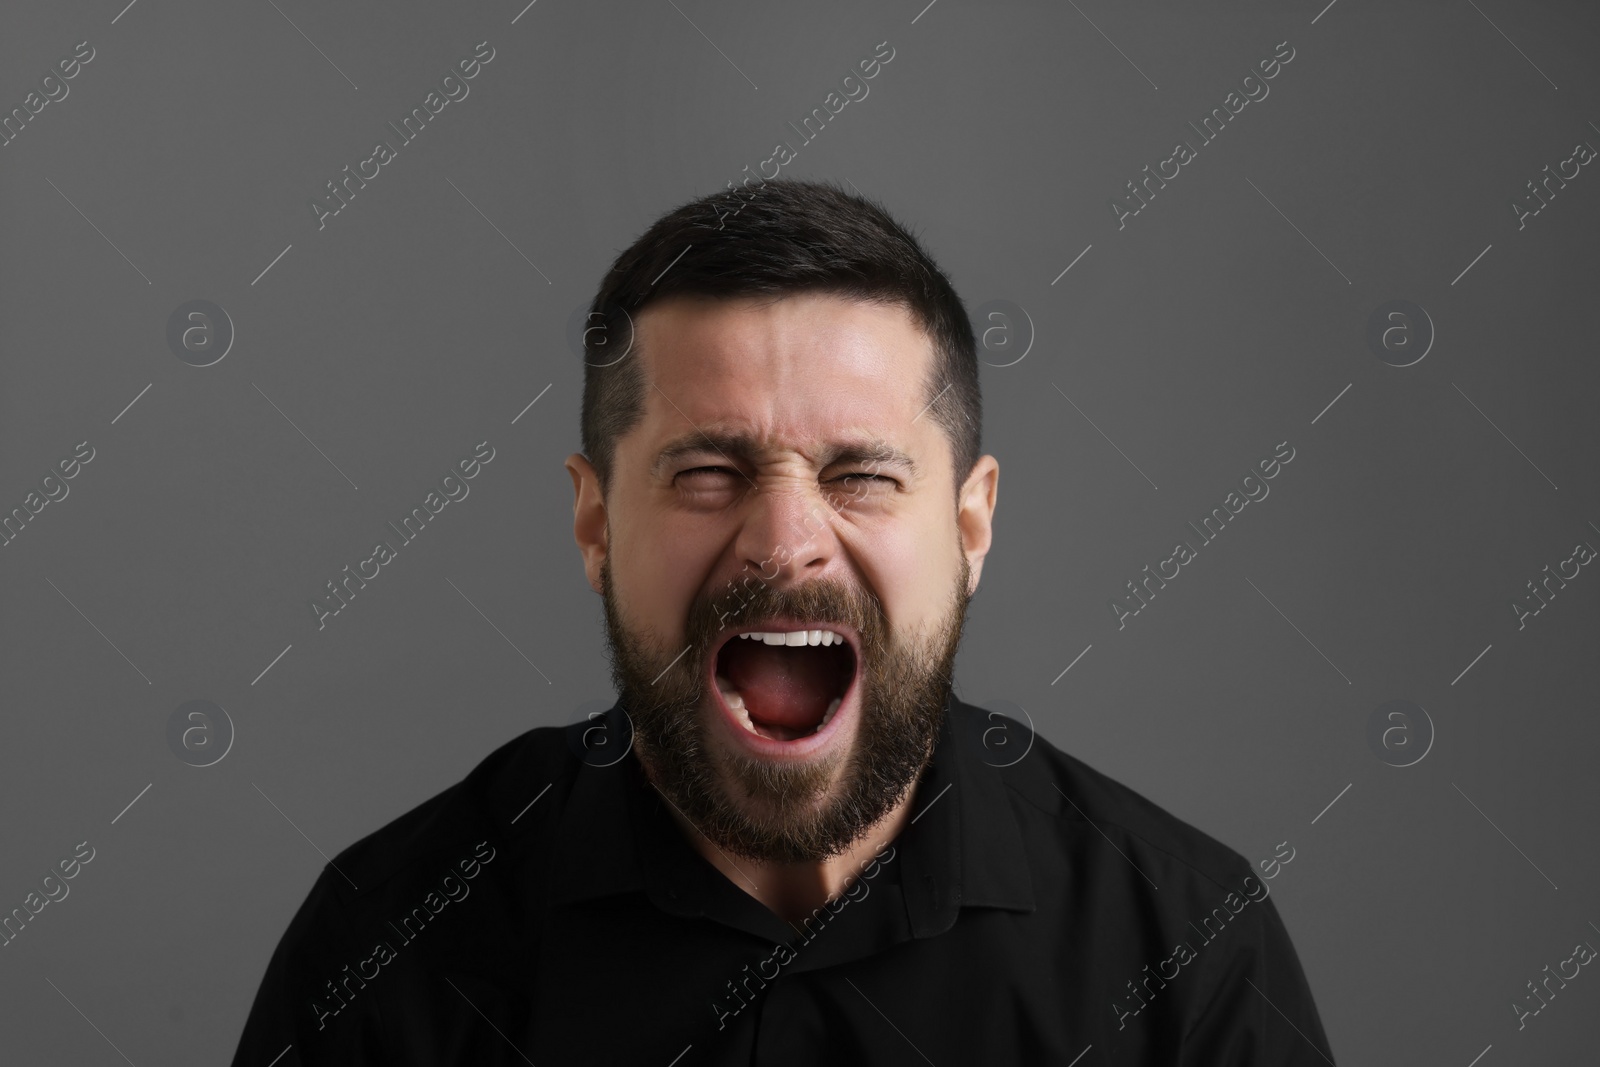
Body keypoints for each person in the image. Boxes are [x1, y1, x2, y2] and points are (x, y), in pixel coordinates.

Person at [231, 179, 1334, 1065]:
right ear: (595, 521)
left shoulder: (1183, 945)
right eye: (709, 469)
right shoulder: (390, 945)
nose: (785, 539)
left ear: (969, 526)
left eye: (858, 474)